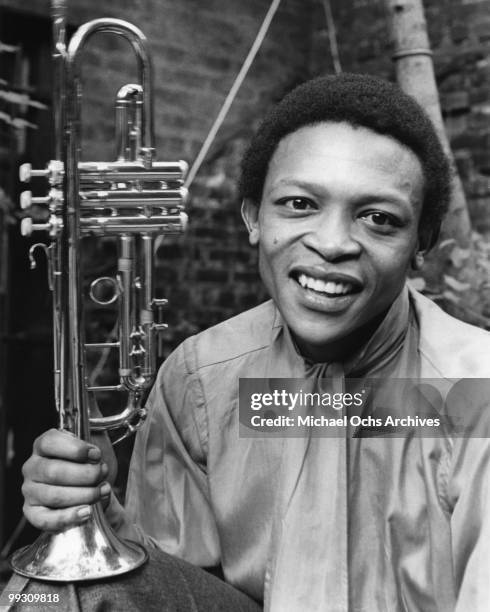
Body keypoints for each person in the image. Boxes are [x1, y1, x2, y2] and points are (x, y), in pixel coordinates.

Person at [18, 74, 490, 611]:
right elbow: (170, 588)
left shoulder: (474, 389)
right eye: (298, 203)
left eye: (379, 219)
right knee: (48, 597)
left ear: (421, 244)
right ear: (253, 217)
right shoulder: (203, 376)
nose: (332, 243)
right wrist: (97, 511)